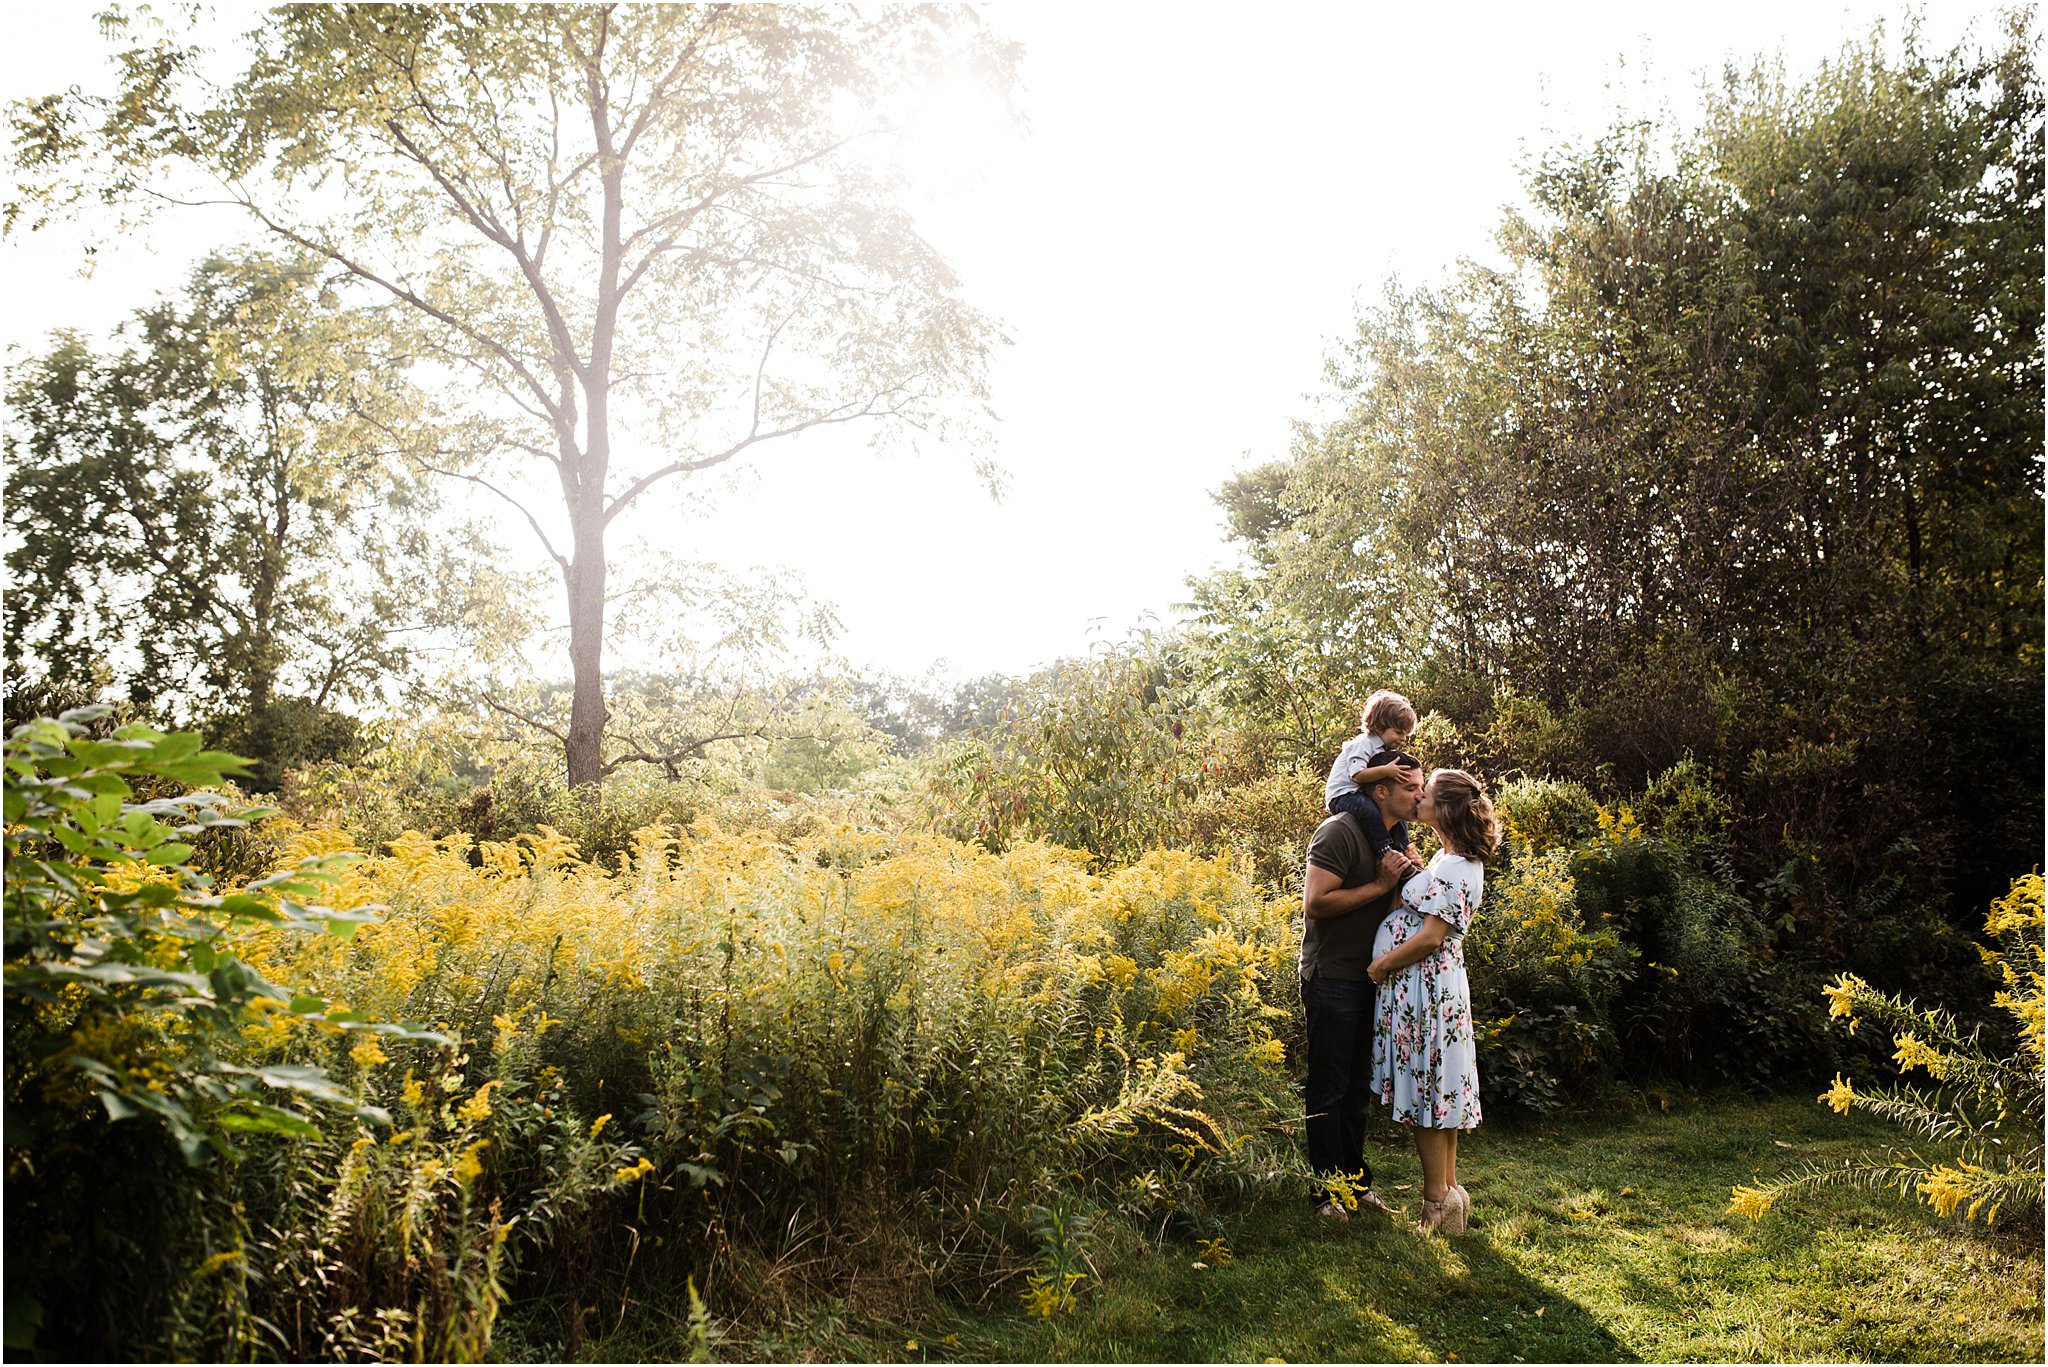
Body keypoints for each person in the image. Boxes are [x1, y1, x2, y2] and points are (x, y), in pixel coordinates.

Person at [1367, 768, 1501, 1235]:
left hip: (1428, 990)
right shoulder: (1451, 860)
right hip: (1435, 988)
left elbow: (1430, 936)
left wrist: (1383, 965)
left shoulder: (1456, 865)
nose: (1417, 795)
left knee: (1430, 1095)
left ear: (1442, 809)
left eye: (1426, 792)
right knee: (1440, 1092)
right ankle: (1449, 1193)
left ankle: (1434, 1205)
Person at [1299, 751, 1425, 1219]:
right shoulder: (1339, 832)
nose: (1420, 795)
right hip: (1332, 976)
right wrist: (1377, 885)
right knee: (1329, 1088)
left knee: (1357, 1088)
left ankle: (1355, 1185)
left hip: (1373, 977)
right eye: (1412, 787)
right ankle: (1323, 1193)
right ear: (1381, 789)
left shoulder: (1394, 839)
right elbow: (1316, 902)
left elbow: (1394, 914)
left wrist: (1406, 880)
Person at [1322, 691, 1419, 859]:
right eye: (1398, 732)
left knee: (1398, 816)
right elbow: (1357, 775)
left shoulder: (1384, 748)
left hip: (1359, 793)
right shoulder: (1363, 744)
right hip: (1343, 795)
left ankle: (1403, 847)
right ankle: (1383, 849)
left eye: (1405, 734)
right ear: (1379, 727)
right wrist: (1387, 771)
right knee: (1369, 811)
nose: (1403, 738)